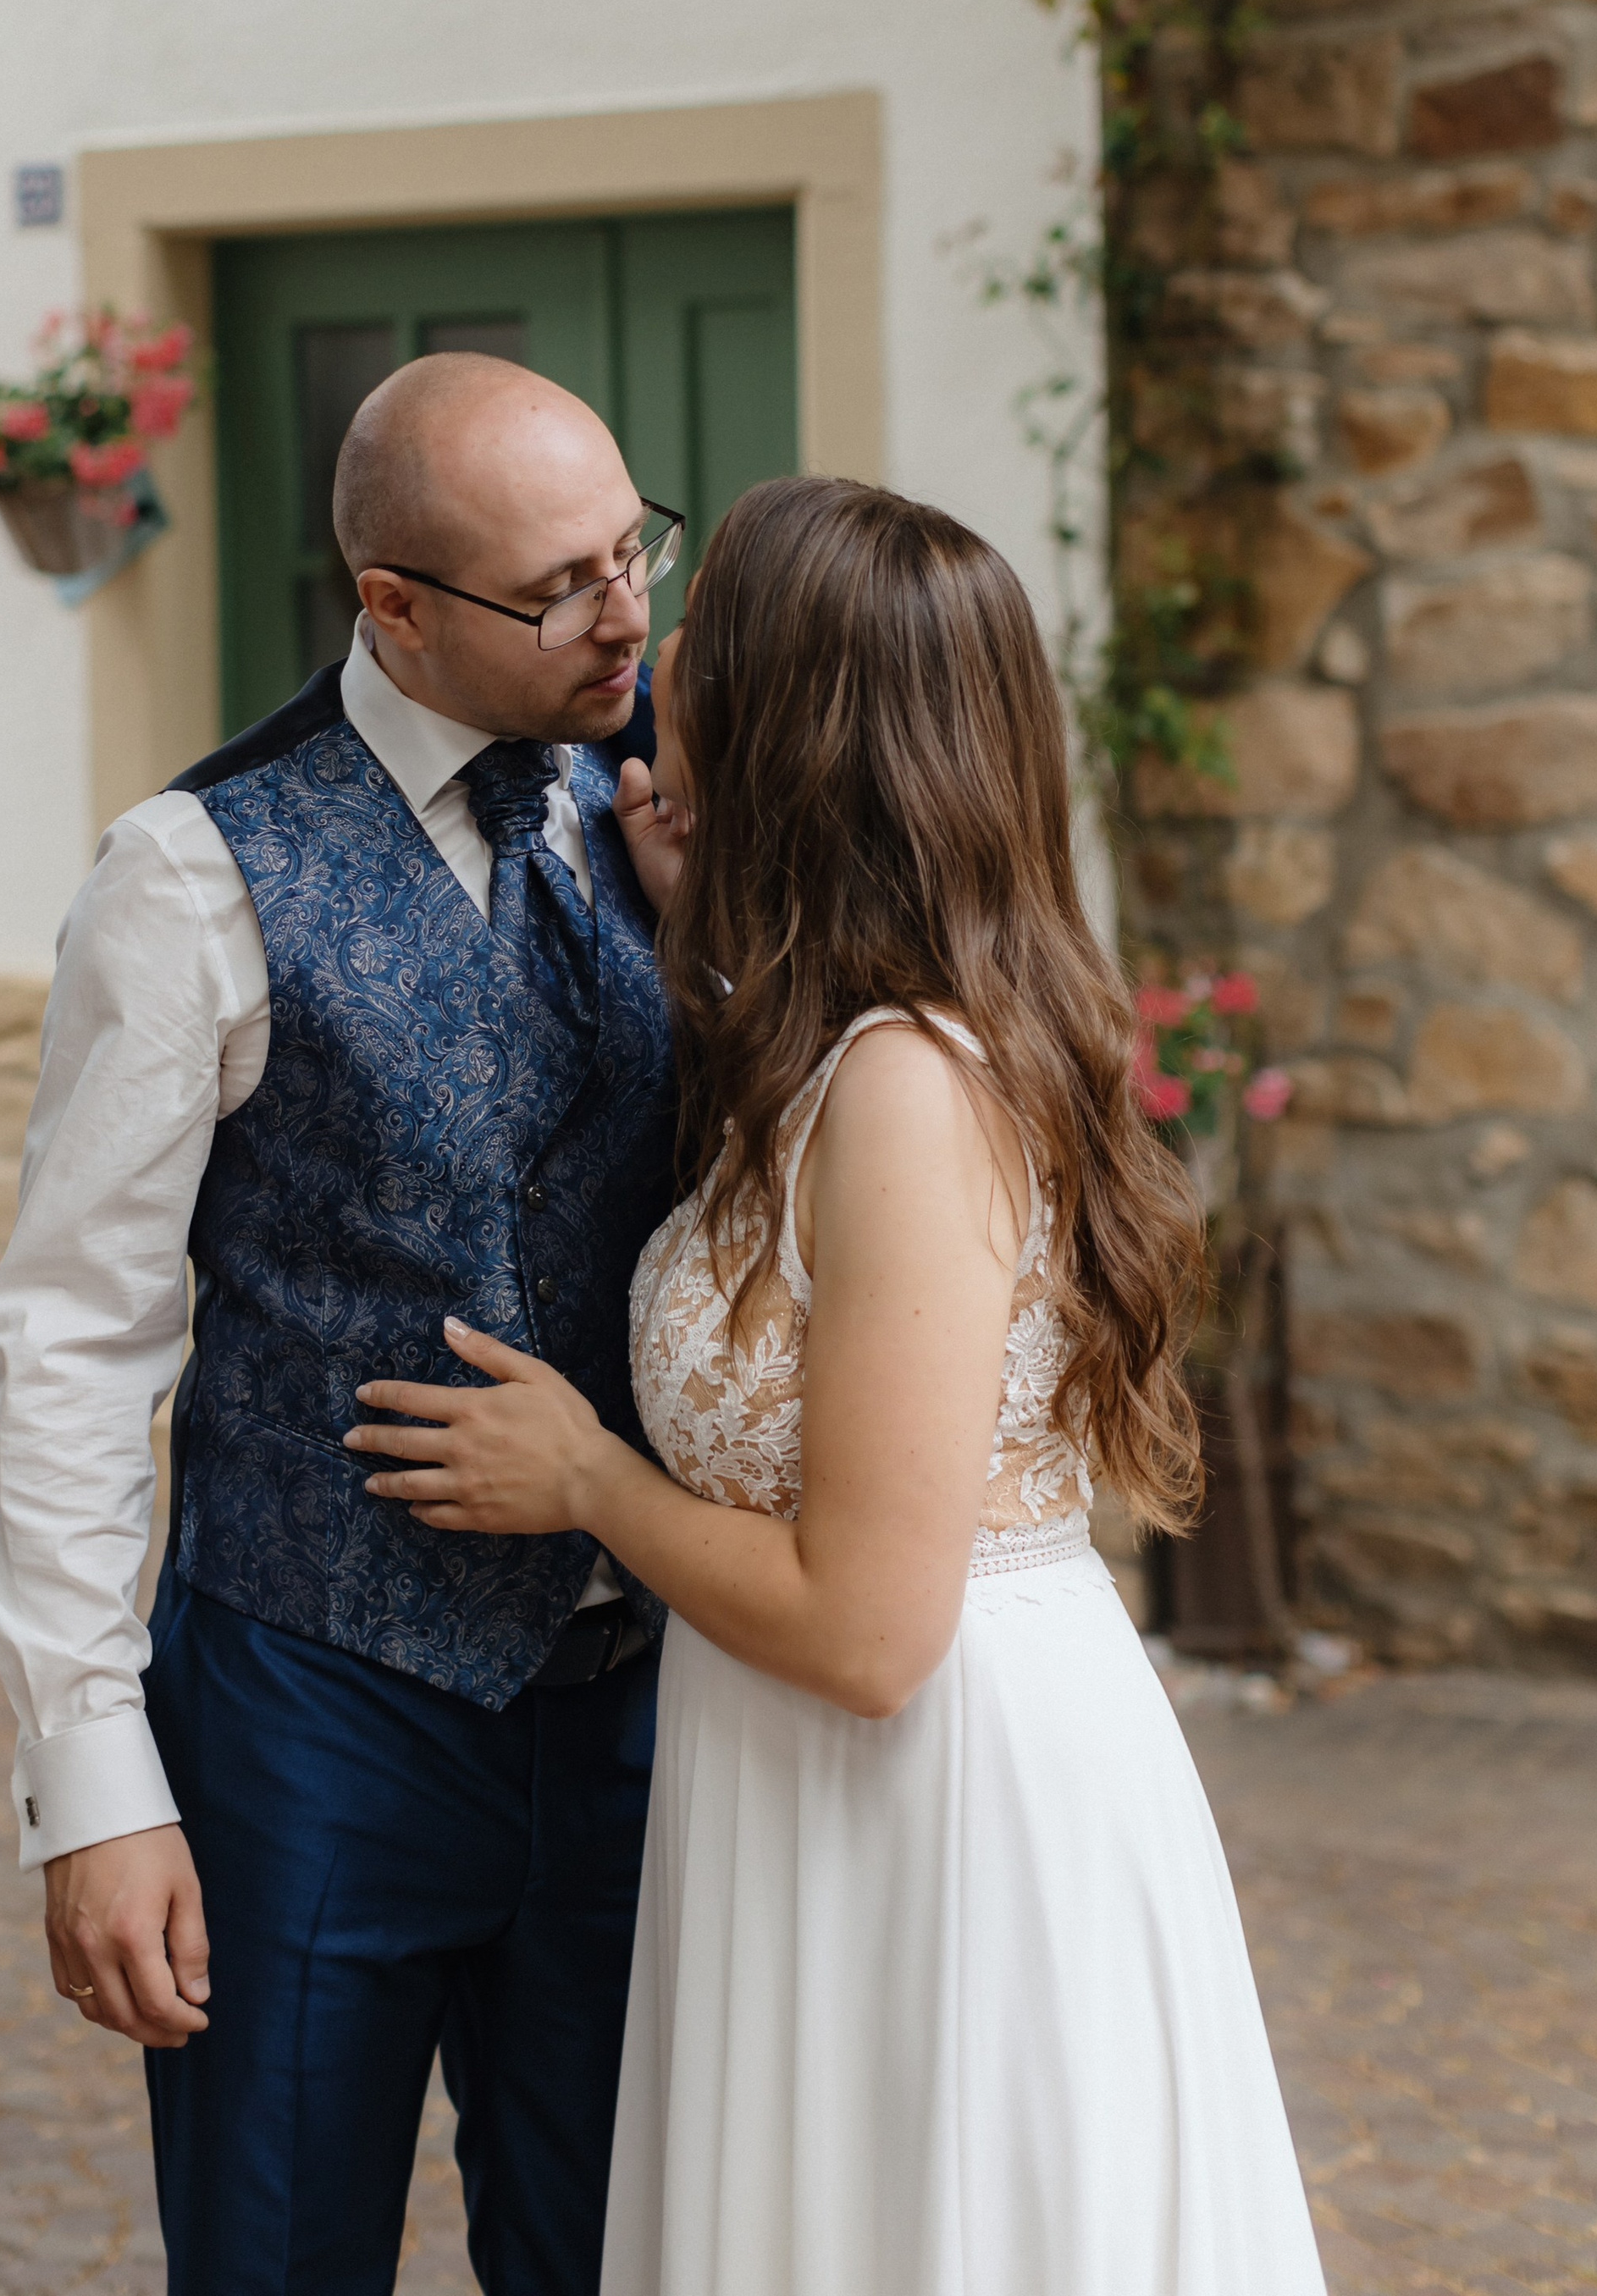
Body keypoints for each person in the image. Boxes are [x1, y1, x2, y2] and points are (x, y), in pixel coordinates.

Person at [347, 475, 1329, 2296]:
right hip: (807, 1790)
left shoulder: (902, 1087)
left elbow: (870, 1625)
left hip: (936, 1800)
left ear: (793, 729)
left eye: (703, 646)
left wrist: (585, 1478)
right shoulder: (839, 1038)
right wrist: (683, 923)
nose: (659, 669)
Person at [0, 355, 687, 2296]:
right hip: (311, 1708)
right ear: (390, 606)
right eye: (557, 585)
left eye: (634, 549)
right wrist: (93, 1782)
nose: (624, 613)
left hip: (637, 1718)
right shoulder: (189, 875)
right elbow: (74, 1338)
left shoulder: (664, 819)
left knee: (618, 2259)